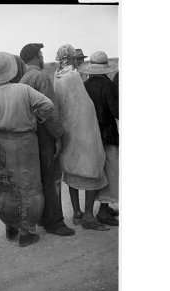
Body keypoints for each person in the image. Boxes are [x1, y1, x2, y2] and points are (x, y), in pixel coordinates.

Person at [0, 52, 54, 247]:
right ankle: (26, 231)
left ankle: (10, 224)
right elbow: (48, 106)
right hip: (25, 144)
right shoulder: (24, 90)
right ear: (11, 69)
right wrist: (36, 116)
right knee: (29, 187)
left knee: (3, 186)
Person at [20, 43, 75, 236]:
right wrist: (58, 135)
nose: (43, 57)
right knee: (52, 179)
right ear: (36, 56)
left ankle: (44, 218)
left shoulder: (23, 78)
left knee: (41, 178)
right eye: (41, 54)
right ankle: (55, 222)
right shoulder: (41, 77)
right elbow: (48, 110)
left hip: (31, 134)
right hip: (45, 133)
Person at [54, 44, 109, 231]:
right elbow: (83, 106)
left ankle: (77, 212)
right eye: (77, 58)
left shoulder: (57, 76)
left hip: (68, 131)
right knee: (93, 168)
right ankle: (88, 216)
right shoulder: (74, 77)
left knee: (72, 172)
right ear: (72, 58)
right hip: (84, 132)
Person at [78, 51, 119, 226]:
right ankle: (103, 210)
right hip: (107, 134)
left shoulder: (84, 85)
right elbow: (116, 111)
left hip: (90, 135)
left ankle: (98, 209)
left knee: (97, 172)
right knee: (111, 172)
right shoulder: (108, 85)